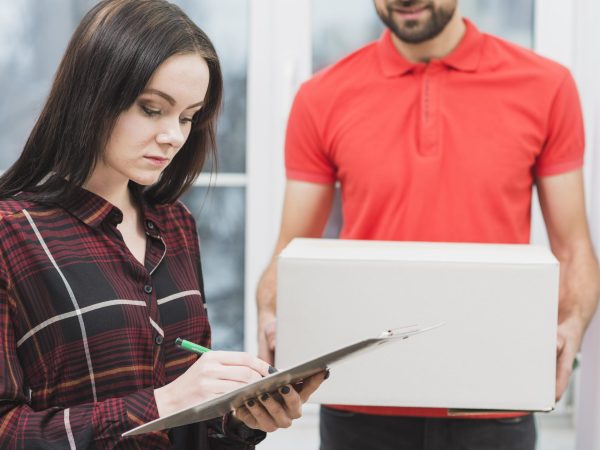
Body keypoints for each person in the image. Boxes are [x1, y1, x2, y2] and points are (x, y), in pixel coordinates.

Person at [256, 0, 600, 449]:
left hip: (494, 404)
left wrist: (571, 325)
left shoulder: (547, 86)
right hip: (360, 405)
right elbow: (291, 248)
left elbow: (573, 248)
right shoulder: (321, 95)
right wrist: (270, 310)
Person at [0, 0, 327, 448]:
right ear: (91, 95)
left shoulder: (175, 225)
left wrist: (242, 417)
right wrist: (161, 404)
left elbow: (194, 425)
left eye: (188, 117)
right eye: (152, 109)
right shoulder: (11, 234)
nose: (174, 135)